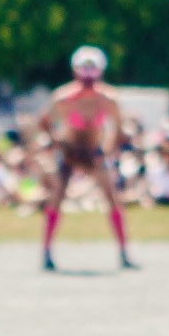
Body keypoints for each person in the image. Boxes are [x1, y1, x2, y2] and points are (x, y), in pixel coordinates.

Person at [40, 46, 133, 270]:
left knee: (113, 199)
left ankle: (123, 252)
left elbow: (119, 129)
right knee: (56, 200)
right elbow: (43, 122)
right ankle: (46, 252)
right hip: (70, 152)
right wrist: (58, 142)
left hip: (94, 153)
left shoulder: (108, 99)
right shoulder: (64, 98)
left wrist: (107, 149)